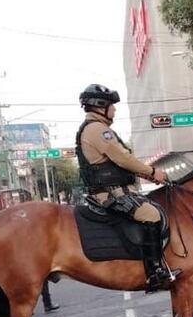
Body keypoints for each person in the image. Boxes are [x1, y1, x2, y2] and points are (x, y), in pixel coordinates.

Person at [75, 83, 179, 293]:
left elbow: (121, 161)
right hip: (110, 193)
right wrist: (153, 173)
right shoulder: (98, 130)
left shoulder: (95, 128)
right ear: (100, 105)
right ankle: (154, 274)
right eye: (112, 105)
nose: (114, 109)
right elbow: (124, 159)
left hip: (115, 190)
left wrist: (145, 173)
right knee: (151, 215)